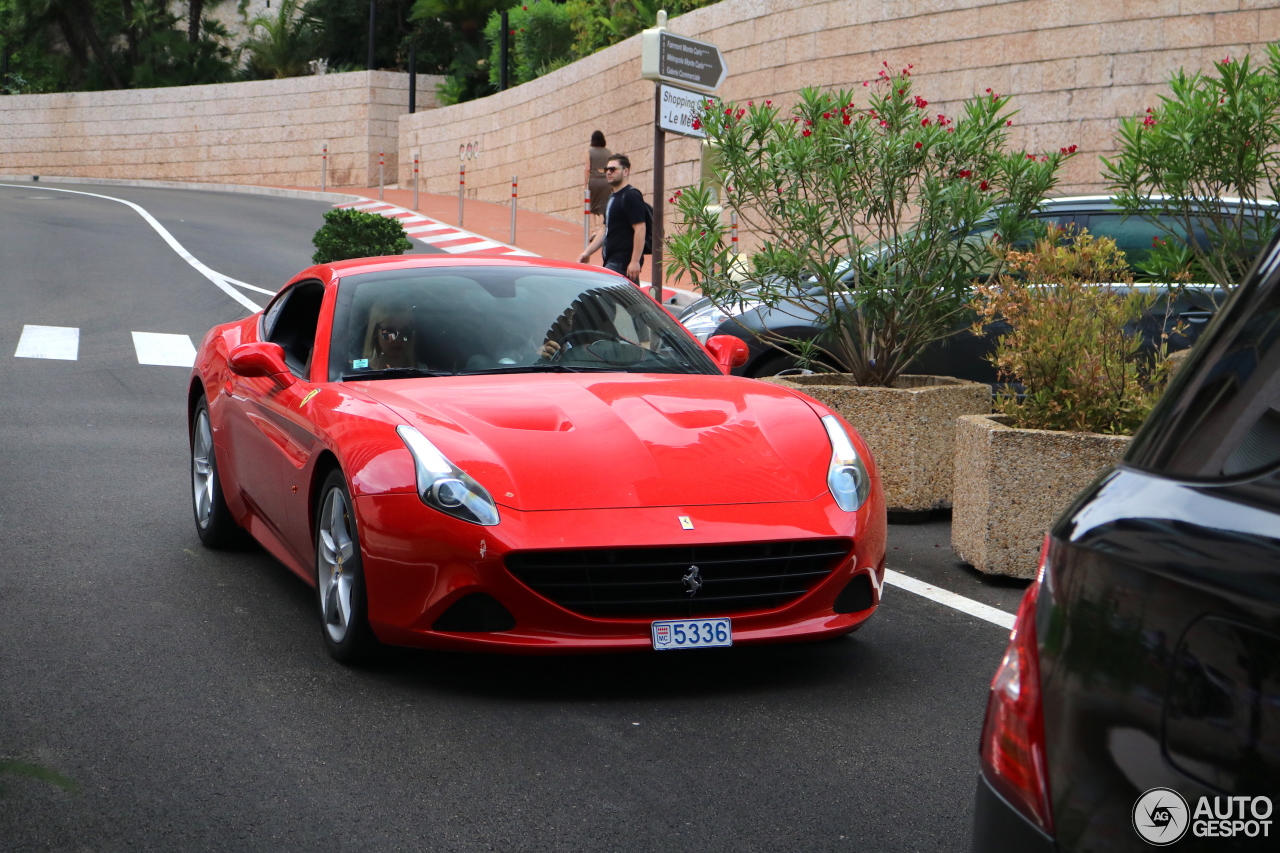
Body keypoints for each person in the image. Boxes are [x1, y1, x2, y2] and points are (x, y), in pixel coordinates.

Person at [578, 154, 647, 283]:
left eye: (613, 169)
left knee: (606, 299)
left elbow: (640, 228)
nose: (608, 172)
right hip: (611, 261)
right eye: (606, 170)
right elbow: (605, 229)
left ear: (626, 171)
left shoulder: (631, 195)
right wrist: (587, 252)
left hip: (623, 264)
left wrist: (635, 261)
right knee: (622, 303)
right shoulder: (612, 198)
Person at [361, 299, 417, 369]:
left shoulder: (428, 373)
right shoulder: (357, 371)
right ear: (375, 331)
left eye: (405, 331)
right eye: (390, 332)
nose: (398, 339)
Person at [585, 130, 612, 232]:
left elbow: (587, 169)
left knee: (592, 207)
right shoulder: (608, 152)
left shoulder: (588, 152)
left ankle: (593, 230)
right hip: (606, 181)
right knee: (602, 208)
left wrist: (585, 184)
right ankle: (601, 230)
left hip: (594, 181)